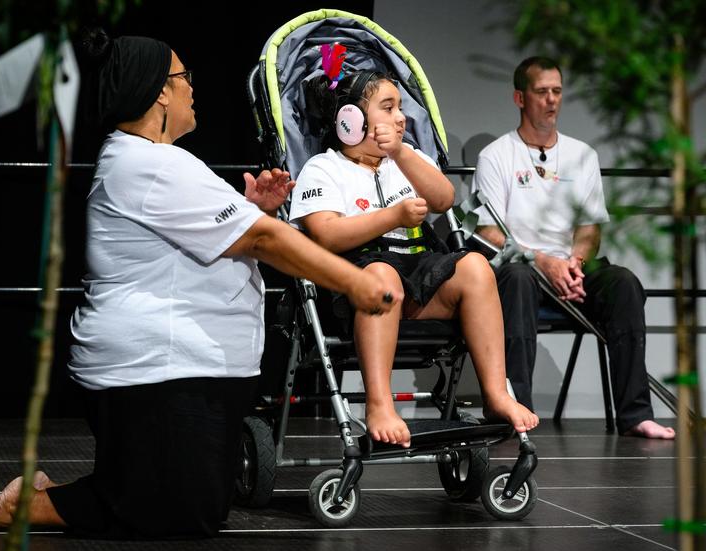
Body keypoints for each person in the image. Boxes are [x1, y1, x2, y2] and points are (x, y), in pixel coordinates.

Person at [0, 30, 404, 539]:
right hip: (158, 370)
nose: (193, 87)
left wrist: (254, 208)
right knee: (176, 513)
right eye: (183, 77)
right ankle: (28, 506)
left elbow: (237, 231)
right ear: (158, 93)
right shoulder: (147, 164)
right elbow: (262, 240)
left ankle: (64, 497)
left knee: (199, 507)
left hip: (188, 370)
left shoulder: (159, 162)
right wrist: (353, 281)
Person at [288, 69, 539, 449]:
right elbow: (326, 234)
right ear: (350, 119)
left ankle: (496, 394)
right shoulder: (324, 168)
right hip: (357, 279)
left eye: (400, 107)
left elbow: (444, 200)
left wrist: (401, 151)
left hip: (418, 276)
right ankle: (379, 404)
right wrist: (393, 217)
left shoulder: (407, 159)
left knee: (474, 265)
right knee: (382, 277)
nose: (401, 117)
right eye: (388, 108)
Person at [471, 56, 675, 440]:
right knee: (515, 278)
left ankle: (635, 415)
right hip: (525, 268)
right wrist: (544, 261)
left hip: (572, 272)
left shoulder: (582, 155)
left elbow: (589, 227)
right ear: (520, 97)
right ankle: (517, 412)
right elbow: (488, 233)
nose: (551, 101)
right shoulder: (496, 156)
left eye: (557, 92)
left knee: (623, 283)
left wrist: (575, 263)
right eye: (541, 92)